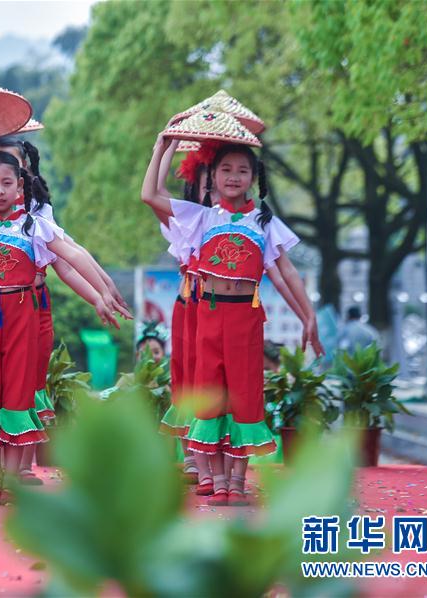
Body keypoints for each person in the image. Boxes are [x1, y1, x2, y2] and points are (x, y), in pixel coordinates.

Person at [0, 124, 118, 506]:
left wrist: (106, 291)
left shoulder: (34, 223)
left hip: (23, 314)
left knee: (17, 395)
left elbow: (74, 255)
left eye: (6, 182)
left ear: (19, 184)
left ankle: (12, 479)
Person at [142, 137, 324, 507]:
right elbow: (150, 195)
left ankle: (238, 483)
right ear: (212, 176)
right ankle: (218, 479)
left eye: (243, 170)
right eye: (226, 169)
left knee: (243, 394)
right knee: (209, 393)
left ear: (255, 177)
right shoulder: (202, 217)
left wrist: (309, 316)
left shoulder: (264, 222)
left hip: (245, 317)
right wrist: (163, 146)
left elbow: (286, 273)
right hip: (207, 314)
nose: (234, 176)